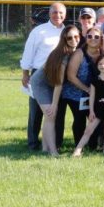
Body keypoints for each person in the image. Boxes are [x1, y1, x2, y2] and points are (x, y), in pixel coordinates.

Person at [20, 2, 66, 151]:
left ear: (65, 14)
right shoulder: (39, 31)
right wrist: (25, 73)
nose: (57, 15)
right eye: (54, 12)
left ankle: (56, 143)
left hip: (59, 76)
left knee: (57, 111)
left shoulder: (68, 32)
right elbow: (29, 52)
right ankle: (33, 143)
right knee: (35, 112)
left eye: (60, 13)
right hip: (38, 75)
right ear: (49, 13)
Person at [28, 25, 79, 155]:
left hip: (51, 83)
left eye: (76, 36)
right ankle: (53, 152)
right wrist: (55, 104)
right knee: (51, 115)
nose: (73, 40)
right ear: (64, 39)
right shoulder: (63, 56)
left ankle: (45, 148)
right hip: (41, 84)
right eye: (69, 38)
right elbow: (59, 83)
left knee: (48, 116)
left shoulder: (73, 51)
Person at [62, 26, 103, 148]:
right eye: (89, 36)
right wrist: (87, 90)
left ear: (101, 38)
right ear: (85, 38)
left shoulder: (103, 53)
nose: (93, 39)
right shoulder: (79, 53)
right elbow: (70, 76)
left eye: (97, 37)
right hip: (75, 93)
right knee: (80, 118)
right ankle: (79, 145)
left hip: (93, 94)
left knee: (95, 118)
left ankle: (93, 145)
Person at [73, 55, 104, 156]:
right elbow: (92, 97)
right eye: (100, 64)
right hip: (97, 110)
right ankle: (77, 150)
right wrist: (91, 111)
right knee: (88, 130)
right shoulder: (95, 81)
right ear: (97, 66)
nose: (103, 66)